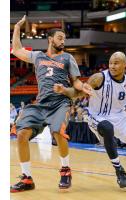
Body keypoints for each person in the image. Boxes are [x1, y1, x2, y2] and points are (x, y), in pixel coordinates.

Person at [53, 51, 126, 188]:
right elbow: (78, 93)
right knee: (108, 128)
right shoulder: (98, 78)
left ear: (124, 65)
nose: (112, 66)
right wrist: (65, 91)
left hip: (120, 117)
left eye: (116, 63)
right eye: (110, 63)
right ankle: (120, 172)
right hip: (96, 115)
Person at [10, 15, 92, 192]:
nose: (63, 41)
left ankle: (65, 170)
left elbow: (75, 81)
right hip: (41, 103)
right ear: (50, 39)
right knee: (22, 133)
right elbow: (16, 50)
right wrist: (17, 28)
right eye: (60, 38)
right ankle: (27, 179)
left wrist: (82, 86)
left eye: (64, 38)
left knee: (58, 132)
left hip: (60, 102)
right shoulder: (38, 56)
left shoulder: (68, 58)